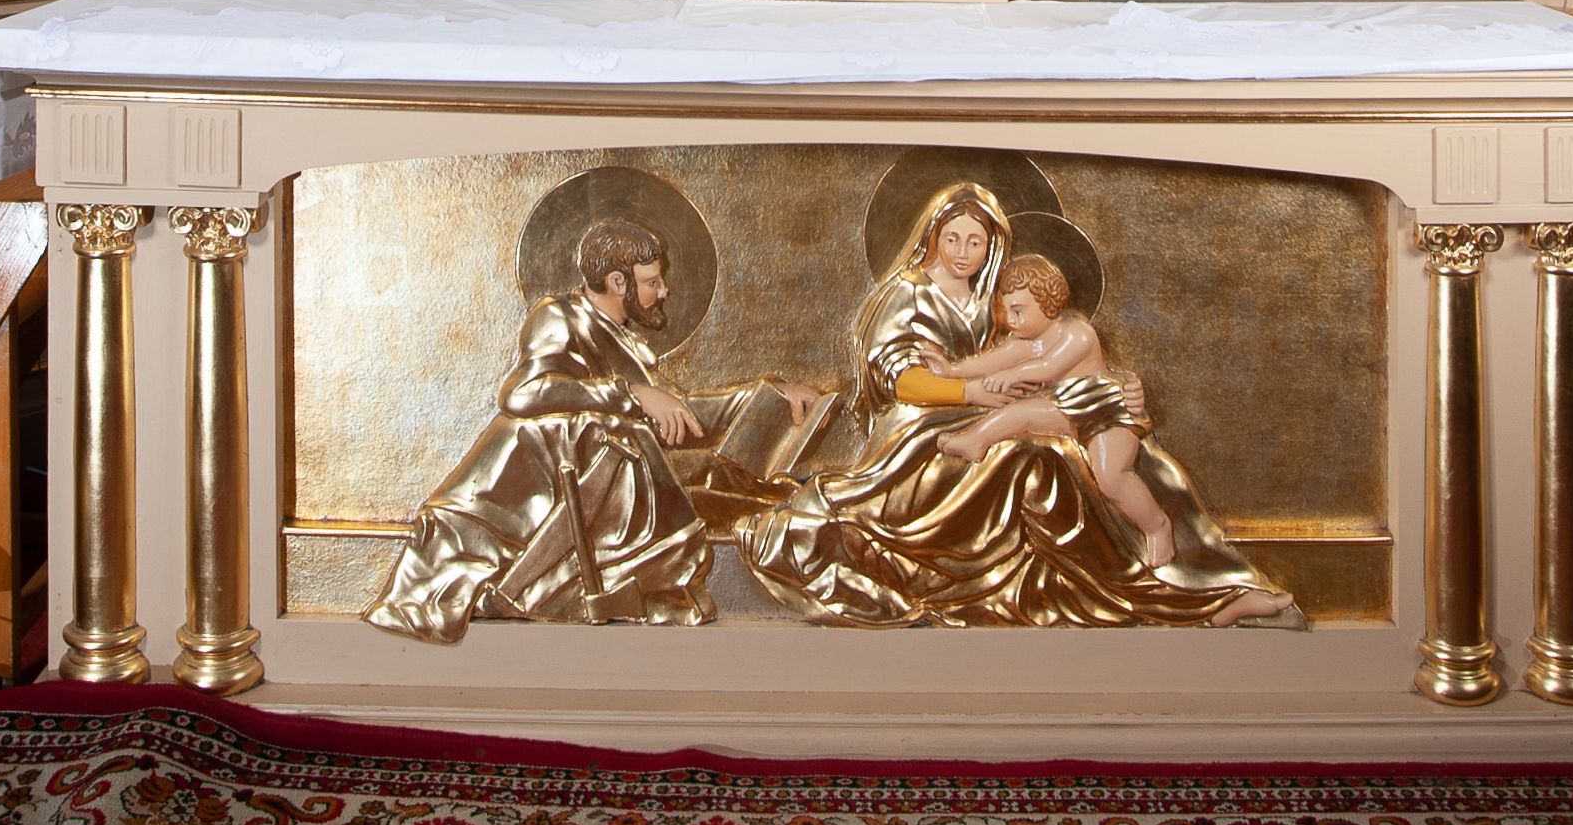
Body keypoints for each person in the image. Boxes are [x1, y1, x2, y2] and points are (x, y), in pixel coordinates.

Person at [734, 181, 1294, 626]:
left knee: (1144, 466)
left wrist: (1120, 386)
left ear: (993, 245)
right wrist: (968, 390)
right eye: (953, 239)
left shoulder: (994, 295)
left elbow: (1046, 354)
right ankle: (1143, 591)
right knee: (1039, 462)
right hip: (918, 430)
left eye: (975, 242)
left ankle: (1209, 585)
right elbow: (901, 380)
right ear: (932, 236)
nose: (963, 253)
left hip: (1004, 411)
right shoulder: (907, 295)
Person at [368, 219, 720, 638]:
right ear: (617, 281)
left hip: (597, 495)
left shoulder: (627, 342)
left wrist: (766, 398)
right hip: (510, 507)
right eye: (652, 282)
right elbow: (522, 393)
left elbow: (677, 409)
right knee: (622, 437)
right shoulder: (559, 316)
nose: (663, 292)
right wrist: (628, 394)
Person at [937, 251, 1178, 569]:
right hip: (1067, 409)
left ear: (1047, 303)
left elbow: (1049, 367)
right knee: (1021, 413)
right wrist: (952, 371)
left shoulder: (1078, 332)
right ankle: (975, 441)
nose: (1010, 320)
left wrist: (1014, 374)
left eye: (1018, 311)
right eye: (1007, 311)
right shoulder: (1025, 341)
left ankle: (1157, 527)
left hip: (1106, 413)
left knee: (1111, 478)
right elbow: (991, 361)